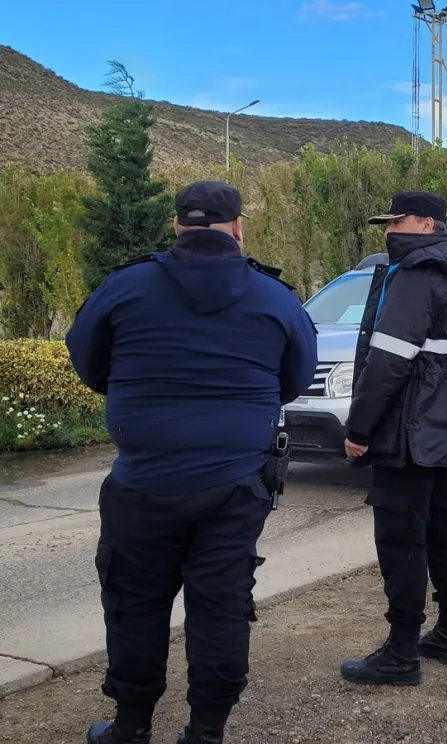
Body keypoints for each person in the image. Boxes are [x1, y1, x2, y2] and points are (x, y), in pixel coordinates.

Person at [65, 180, 319, 744]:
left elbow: (86, 358)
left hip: (142, 481)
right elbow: (295, 379)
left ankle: (130, 728)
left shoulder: (125, 286)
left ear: (178, 224)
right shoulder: (276, 297)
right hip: (234, 485)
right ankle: (207, 732)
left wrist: (137, 389)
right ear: (238, 227)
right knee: (222, 606)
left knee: (134, 604)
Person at [340, 191, 447, 686]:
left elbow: (386, 362)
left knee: (400, 540)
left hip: (407, 437)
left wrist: (360, 428)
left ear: (428, 224)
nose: (388, 231)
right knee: (443, 532)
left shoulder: (415, 276)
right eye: (385, 223)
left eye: (398, 221)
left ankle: (401, 652)